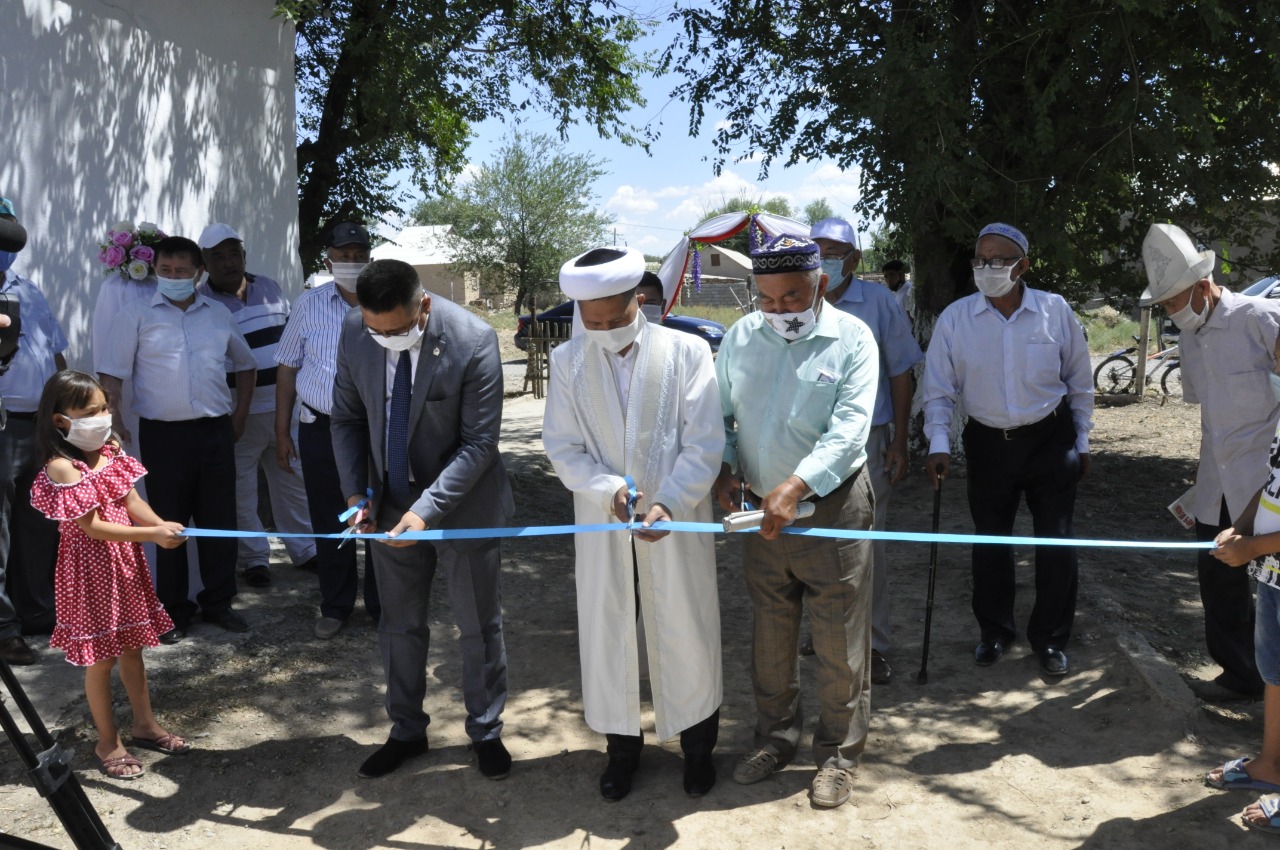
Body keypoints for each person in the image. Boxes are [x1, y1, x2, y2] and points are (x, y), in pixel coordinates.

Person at [543, 247, 724, 801]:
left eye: (611, 318)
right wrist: (609, 490)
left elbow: (704, 441)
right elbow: (562, 447)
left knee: (686, 625)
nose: (600, 330)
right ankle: (622, 752)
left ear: (637, 301)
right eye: (589, 321)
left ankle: (697, 750)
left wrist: (670, 501)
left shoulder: (687, 352)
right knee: (609, 628)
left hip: (678, 519)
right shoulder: (568, 361)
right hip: (603, 525)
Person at [331, 259, 514, 780]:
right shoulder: (354, 330)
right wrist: (356, 493)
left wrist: (426, 510)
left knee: (478, 623)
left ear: (424, 306)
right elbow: (345, 416)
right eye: (375, 329)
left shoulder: (473, 339)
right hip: (388, 506)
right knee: (399, 624)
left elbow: (480, 443)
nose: (384, 338)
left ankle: (485, 730)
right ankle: (406, 730)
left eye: (397, 329)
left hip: (464, 507)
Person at [714, 234, 878, 809]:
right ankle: (775, 737)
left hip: (832, 508)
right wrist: (726, 470)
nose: (779, 310)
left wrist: (797, 485)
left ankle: (837, 754)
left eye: (792, 297)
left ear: (821, 286)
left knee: (837, 638)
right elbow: (724, 416)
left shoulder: (853, 339)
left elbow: (850, 430)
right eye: (767, 299)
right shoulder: (740, 337)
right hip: (762, 512)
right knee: (772, 632)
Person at [922, 222, 1092, 677]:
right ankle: (995, 631)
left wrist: (1083, 441)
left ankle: (1051, 639)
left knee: (1056, 542)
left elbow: (1079, 382)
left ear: (1024, 265)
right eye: (980, 260)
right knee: (990, 541)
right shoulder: (956, 318)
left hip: (1050, 440)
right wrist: (938, 444)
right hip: (988, 443)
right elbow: (937, 389)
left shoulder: (1055, 311)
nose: (988, 268)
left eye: (999, 259)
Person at [1139, 222, 1280, 702]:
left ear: (1202, 287)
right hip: (1216, 484)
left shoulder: (1260, 318)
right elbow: (1210, 418)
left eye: (1173, 302)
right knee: (1219, 581)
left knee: (1272, 590)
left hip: (1267, 484)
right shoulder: (1191, 339)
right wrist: (1198, 482)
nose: (1169, 313)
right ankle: (1239, 676)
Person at [29, 370, 190, 780]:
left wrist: (162, 524)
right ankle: (107, 740)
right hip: (88, 573)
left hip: (124, 565)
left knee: (132, 648)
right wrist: (152, 534)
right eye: (89, 411)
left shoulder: (111, 449)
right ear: (60, 420)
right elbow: (93, 527)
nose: (102, 416)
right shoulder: (63, 468)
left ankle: (145, 725)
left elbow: (132, 499)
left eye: (104, 407)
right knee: (101, 659)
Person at [98, 236, 257, 643]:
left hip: (215, 430)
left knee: (219, 520)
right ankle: (173, 611)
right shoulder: (136, 314)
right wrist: (112, 422)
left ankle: (219, 603)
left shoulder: (218, 314)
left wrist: (239, 416)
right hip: (163, 435)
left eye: (181, 272)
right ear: (155, 271)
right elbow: (112, 374)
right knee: (167, 524)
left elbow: (246, 364)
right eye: (165, 271)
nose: (172, 278)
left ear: (198, 273)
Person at [811, 217, 922, 685]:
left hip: (867, 440)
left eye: (833, 253)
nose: (823, 262)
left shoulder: (878, 303)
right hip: (805, 443)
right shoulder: (798, 299)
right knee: (809, 540)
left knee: (867, 542)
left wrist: (898, 439)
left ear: (855, 260)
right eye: (816, 251)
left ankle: (873, 644)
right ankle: (820, 634)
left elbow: (901, 371)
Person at [275, 221, 380, 639]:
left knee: (377, 512)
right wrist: (281, 432)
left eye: (359, 256)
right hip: (320, 427)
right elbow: (287, 367)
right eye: (344, 256)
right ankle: (336, 604)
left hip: (373, 427)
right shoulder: (309, 305)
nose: (352, 263)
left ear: (370, 258)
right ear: (328, 260)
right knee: (328, 516)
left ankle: (381, 603)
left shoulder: (385, 301)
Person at [196, 222, 316, 588]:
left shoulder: (270, 287)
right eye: (218, 256)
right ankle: (254, 559)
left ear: (244, 255)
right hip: (238, 413)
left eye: (234, 253)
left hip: (283, 407)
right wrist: (236, 414)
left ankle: (307, 549)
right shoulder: (203, 302)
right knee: (241, 488)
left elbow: (290, 341)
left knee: (292, 480)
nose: (228, 262)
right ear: (205, 262)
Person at [1203, 344, 1280, 831]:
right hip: (1275, 574)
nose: (1276, 366)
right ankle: (1271, 763)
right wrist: (1243, 525)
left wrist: (1252, 547)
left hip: (1269, 558)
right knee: (1274, 673)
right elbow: (1274, 480)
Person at [0, 196, 68, 664]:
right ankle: (4, 628)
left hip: (38, 424)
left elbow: (55, 352)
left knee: (39, 522)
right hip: (1, 423)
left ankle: (38, 610)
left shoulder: (31, 289)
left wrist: (67, 408)